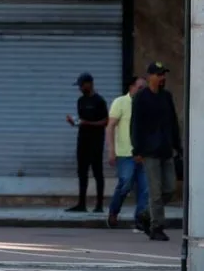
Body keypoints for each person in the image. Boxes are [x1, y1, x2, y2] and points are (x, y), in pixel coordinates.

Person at [131, 61, 182, 241]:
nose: (163, 78)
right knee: (156, 192)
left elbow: (173, 122)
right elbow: (135, 125)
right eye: (159, 75)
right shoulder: (141, 97)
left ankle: (145, 214)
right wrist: (136, 149)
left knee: (169, 188)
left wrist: (178, 146)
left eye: (164, 75)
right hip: (149, 152)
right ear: (150, 76)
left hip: (166, 150)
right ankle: (156, 227)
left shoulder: (166, 96)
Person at [106, 76, 149, 229]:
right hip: (125, 153)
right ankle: (113, 212)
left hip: (144, 154)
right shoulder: (120, 103)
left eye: (145, 87)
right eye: (140, 87)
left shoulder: (147, 104)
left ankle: (140, 219)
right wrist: (111, 150)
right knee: (126, 184)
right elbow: (110, 127)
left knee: (145, 188)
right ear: (131, 87)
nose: (143, 90)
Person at [65, 72, 108, 213]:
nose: (80, 88)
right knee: (82, 172)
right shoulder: (80, 101)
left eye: (82, 85)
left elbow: (105, 121)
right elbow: (81, 121)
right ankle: (81, 204)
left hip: (96, 142)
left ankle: (99, 205)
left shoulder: (99, 101)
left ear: (89, 84)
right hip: (82, 141)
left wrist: (88, 123)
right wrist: (74, 122)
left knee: (97, 173)